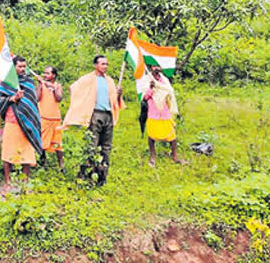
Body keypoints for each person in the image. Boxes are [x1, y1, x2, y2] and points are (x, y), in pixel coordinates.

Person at [61, 55, 125, 186]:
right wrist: (84, 100)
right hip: (95, 114)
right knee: (92, 146)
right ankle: (85, 174)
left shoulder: (110, 81)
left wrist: (119, 95)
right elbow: (73, 88)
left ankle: (102, 176)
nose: (105, 66)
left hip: (108, 115)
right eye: (102, 64)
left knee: (106, 147)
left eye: (107, 64)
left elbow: (115, 100)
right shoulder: (88, 79)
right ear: (95, 65)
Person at [0, 56, 43, 192]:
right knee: (8, 152)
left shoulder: (29, 81)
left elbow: (36, 99)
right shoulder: (6, 82)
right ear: (13, 67)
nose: (22, 69)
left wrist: (39, 84)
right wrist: (13, 98)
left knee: (27, 152)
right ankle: (8, 182)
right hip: (12, 120)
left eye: (24, 66)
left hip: (27, 121)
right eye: (19, 66)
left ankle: (25, 181)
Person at [140, 65, 183, 167]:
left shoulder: (164, 80)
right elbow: (144, 97)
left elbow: (170, 92)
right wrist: (151, 88)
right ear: (151, 68)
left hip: (165, 112)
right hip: (153, 112)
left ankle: (174, 156)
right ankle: (153, 157)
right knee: (152, 136)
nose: (156, 68)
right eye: (154, 66)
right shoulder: (147, 80)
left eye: (158, 66)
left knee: (172, 135)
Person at [37, 66, 64, 172]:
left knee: (58, 143)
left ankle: (61, 166)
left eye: (47, 73)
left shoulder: (58, 86)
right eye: (44, 73)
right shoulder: (42, 85)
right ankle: (42, 163)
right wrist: (40, 85)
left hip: (55, 118)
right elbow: (37, 98)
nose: (45, 75)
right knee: (42, 143)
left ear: (53, 75)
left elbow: (59, 98)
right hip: (43, 117)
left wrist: (52, 88)